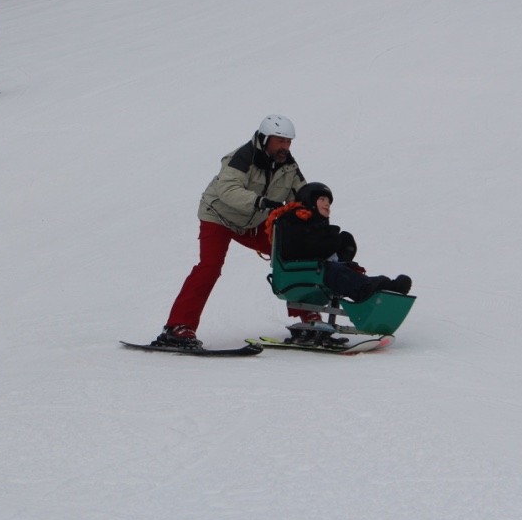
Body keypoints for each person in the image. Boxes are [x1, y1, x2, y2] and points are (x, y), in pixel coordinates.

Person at [156, 115, 309, 348]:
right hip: (218, 216)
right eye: (280, 141)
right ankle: (178, 327)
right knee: (209, 267)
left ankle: (310, 320)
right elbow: (227, 189)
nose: (285, 147)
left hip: (253, 222)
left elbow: (301, 194)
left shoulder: (288, 166)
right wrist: (261, 202)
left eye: (288, 142)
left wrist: (315, 203)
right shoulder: (242, 158)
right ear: (265, 138)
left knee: (291, 257)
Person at [268, 182, 412, 303]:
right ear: (309, 200)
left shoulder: (316, 226)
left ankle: (382, 288)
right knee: (335, 270)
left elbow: (323, 247)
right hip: (294, 274)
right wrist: (331, 239)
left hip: (312, 271)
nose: (327, 204)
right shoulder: (292, 219)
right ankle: (369, 289)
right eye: (322, 199)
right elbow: (302, 249)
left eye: (329, 202)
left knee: (345, 245)